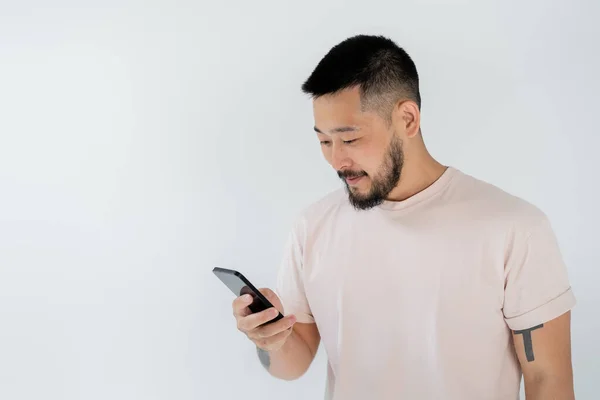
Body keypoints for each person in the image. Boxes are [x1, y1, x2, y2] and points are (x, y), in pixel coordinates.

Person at [231, 34, 576, 400]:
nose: (335, 161)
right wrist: (269, 339)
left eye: (349, 140)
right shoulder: (312, 227)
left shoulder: (515, 228)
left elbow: (547, 379)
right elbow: (292, 364)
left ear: (407, 119)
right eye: (323, 141)